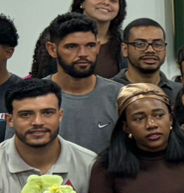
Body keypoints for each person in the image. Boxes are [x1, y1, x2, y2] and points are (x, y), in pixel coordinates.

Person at [42, 13, 123, 155]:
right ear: (52, 49)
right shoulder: (32, 98)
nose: (83, 54)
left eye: (90, 45)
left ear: (98, 46)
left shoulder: (119, 96)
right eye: (72, 46)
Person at [30, 0, 126, 80]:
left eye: (113, 0)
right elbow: (41, 74)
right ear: (82, 2)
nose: (106, 3)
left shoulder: (125, 40)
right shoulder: (56, 33)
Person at [114, 18, 175, 91]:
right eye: (140, 44)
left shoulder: (180, 92)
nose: (150, 50)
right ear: (125, 49)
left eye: (157, 44)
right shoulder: (107, 91)